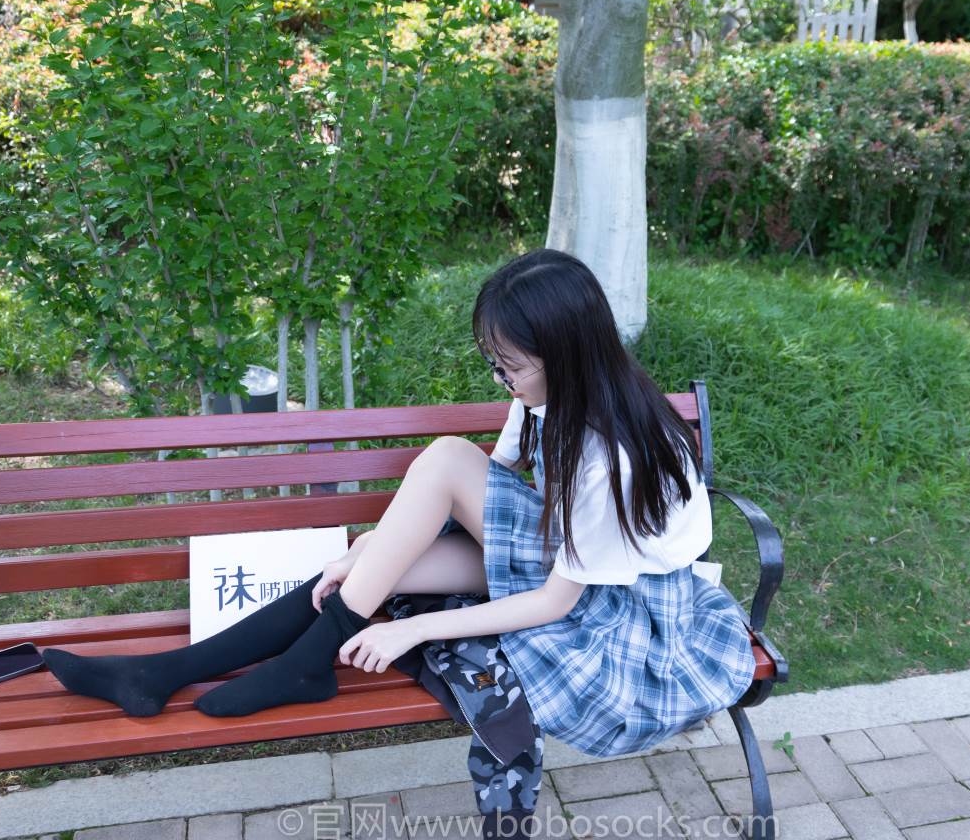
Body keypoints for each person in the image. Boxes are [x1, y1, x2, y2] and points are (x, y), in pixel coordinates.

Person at [40, 247, 756, 761]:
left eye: (510, 365)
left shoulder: (608, 454)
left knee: (436, 469)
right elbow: (491, 485)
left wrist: (408, 632)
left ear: (565, 355)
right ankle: (163, 673)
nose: (501, 379)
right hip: (565, 553)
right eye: (494, 362)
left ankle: (288, 668)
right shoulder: (548, 397)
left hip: (620, 611)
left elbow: (554, 604)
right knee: (373, 563)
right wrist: (371, 553)